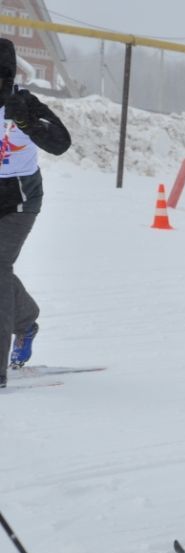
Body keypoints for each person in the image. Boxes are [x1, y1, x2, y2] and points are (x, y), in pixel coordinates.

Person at [0, 39, 71, 389]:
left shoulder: (24, 102)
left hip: (20, 198)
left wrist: (27, 119)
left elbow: (60, 142)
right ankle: (25, 321)